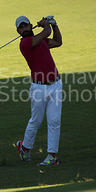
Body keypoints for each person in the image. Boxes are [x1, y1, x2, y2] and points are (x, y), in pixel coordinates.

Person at [14, 15, 63, 166]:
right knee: (36, 120)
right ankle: (25, 147)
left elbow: (58, 42)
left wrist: (54, 25)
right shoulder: (25, 43)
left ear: (30, 26)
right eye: (21, 28)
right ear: (18, 31)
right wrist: (46, 24)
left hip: (55, 85)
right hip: (39, 88)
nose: (24, 29)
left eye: (26, 26)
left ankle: (52, 156)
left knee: (54, 122)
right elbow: (46, 32)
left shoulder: (40, 41)